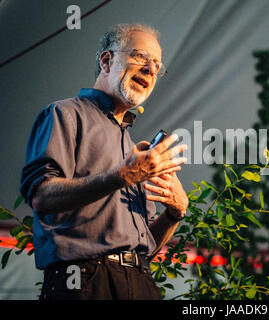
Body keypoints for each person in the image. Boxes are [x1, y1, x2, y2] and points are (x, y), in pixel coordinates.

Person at [19, 23, 189, 300]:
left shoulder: (134, 149)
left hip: (140, 281)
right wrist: (120, 177)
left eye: (157, 65)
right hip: (84, 281)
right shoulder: (64, 114)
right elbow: (41, 197)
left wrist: (175, 213)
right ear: (107, 60)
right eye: (140, 57)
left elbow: (145, 244)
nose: (151, 69)